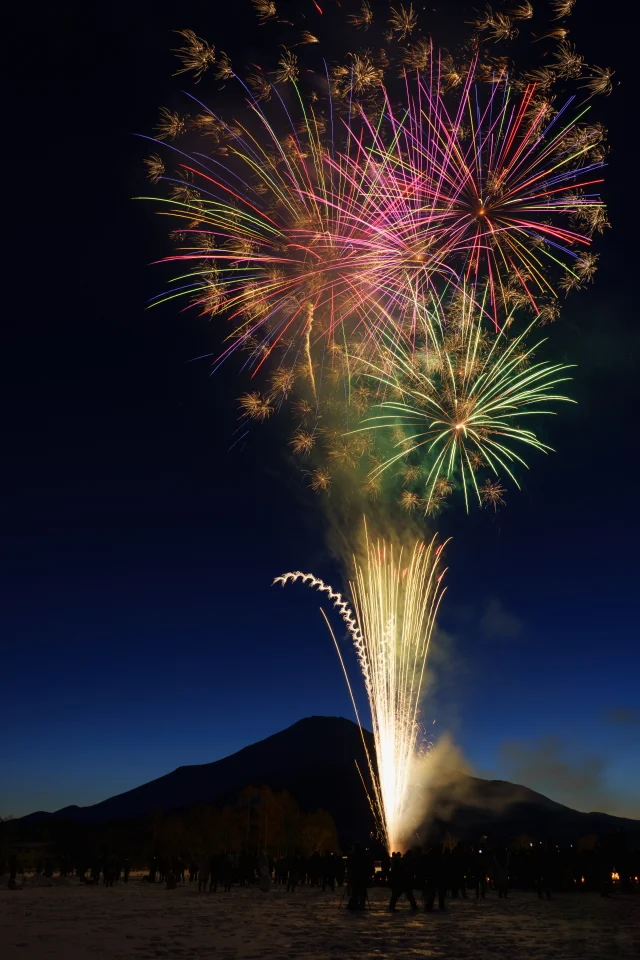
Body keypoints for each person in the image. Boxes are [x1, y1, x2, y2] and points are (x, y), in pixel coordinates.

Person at [346, 843, 372, 911]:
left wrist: (349, 878)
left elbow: (349, 867)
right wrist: (369, 875)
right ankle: (361, 905)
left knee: (355, 892)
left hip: (355, 877)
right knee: (362, 893)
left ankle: (355, 905)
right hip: (362, 877)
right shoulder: (365, 857)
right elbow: (369, 867)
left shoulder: (353, 857)